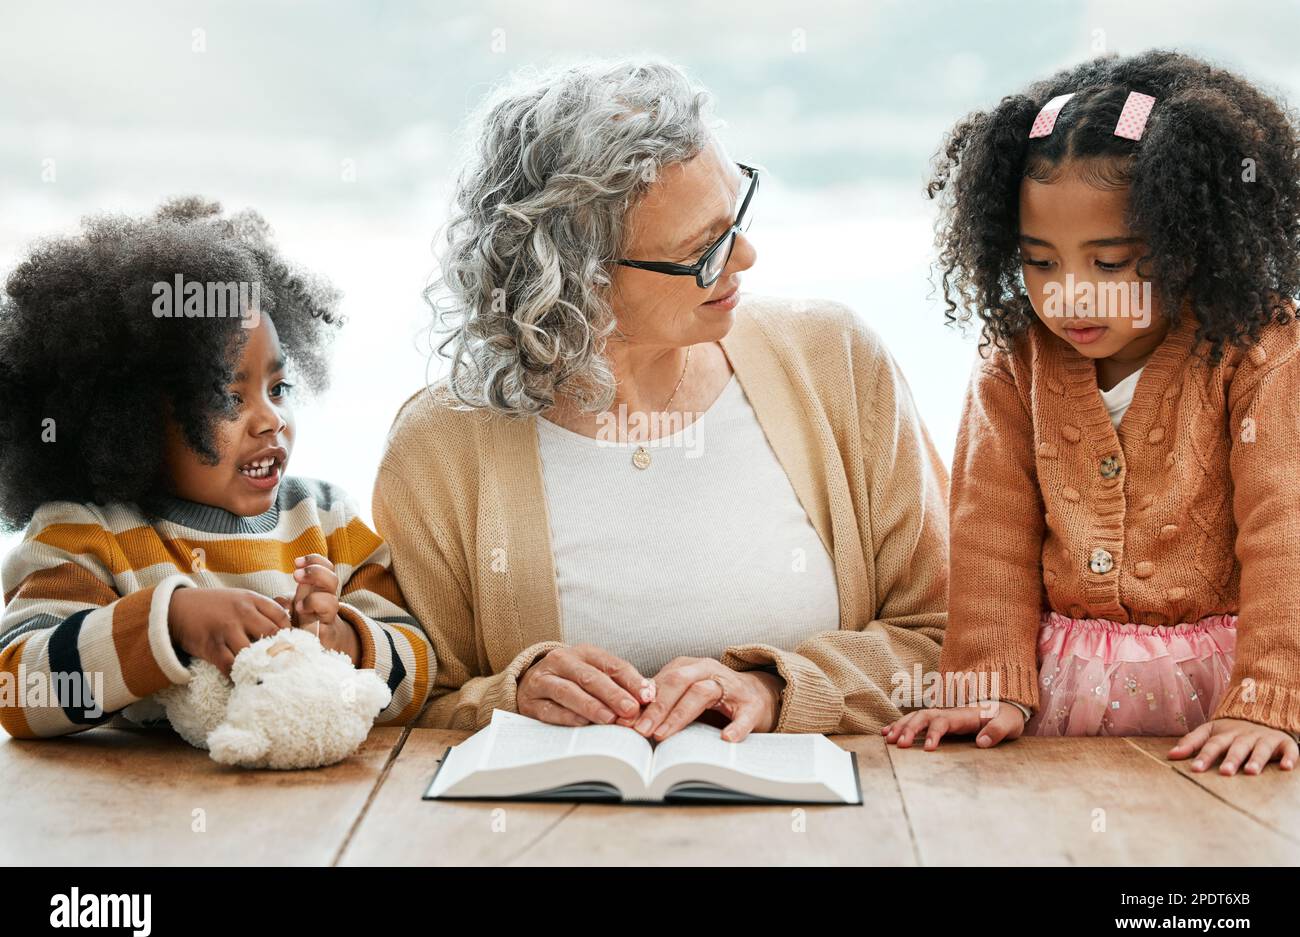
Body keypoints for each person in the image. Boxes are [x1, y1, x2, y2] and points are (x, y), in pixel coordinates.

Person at [375, 58, 949, 743]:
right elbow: (410, 694)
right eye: (701, 250)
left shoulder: (836, 361)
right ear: (575, 282)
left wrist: (775, 688)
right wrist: (513, 694)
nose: (745, 259)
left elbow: (945, 635)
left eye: (735, 213)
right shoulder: (439, 445)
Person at [885, 50, 1300, 775]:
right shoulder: (1017, 359)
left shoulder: (1259, 350)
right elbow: (991, 530)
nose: (1071, 292)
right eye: (1040, 261)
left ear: (1190, 242)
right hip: (1058, 695)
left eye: (1109, 263)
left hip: (1227, 699)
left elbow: (1285, 532)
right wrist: (985, 683)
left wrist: (1267, 697)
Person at [0, 199, 434, 738]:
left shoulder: (325, 521)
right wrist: (170, 623)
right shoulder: (85, 535)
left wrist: (341, 638)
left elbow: (419, 667)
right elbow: (19, 689)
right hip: (138, 812)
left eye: (278, 389)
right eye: (229, 397)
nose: (271, 419)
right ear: (129, 418)